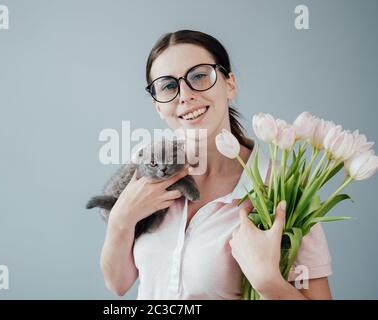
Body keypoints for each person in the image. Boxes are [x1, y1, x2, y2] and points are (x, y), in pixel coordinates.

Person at [100, 30, 332, 300]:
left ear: (229, 84)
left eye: (199, 76)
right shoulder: (147, 166)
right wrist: (121, 220)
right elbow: (118, 284)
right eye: (168, 86)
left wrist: (268, 281)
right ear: (157, 105)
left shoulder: (283, 187)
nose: (184, 95)